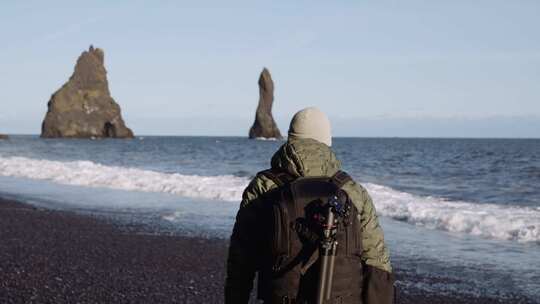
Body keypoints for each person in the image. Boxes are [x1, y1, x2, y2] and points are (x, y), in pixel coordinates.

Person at [225, 107, 395, 304]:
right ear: (327, 141)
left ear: (290, 139)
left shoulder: (263, 186)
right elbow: (376, 261)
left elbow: (241, 259)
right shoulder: (352, 190)